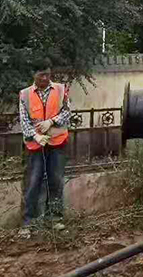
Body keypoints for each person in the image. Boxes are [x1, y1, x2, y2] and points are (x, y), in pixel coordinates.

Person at [17, 62, 71, 238]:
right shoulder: (25, 95)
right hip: (35, 146)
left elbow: (67, 112)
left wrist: (51, 121)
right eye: (41, 75)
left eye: (48, 74)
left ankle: (55, 219)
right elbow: (24, 121)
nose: (45, 78)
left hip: (57, 143)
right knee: (33, 183)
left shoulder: (61, 90)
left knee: (56, 181)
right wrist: (36, 136)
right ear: (34, 74)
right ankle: (28, 223)